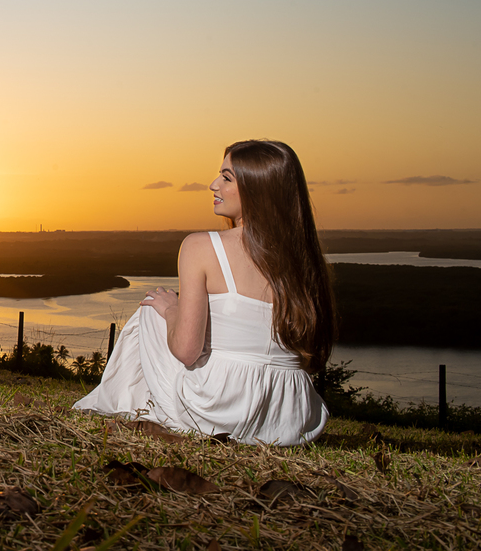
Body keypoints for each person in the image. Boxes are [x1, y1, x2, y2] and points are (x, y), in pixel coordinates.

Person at [73, 140, 334, 446]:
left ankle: (127, 407)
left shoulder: (200, 246)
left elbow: (186, 350)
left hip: (222, 409)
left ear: (258, 188)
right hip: (292, 414)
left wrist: (172, 310)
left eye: (226, 178)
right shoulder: (305, 259)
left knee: (152, 308)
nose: (213, 185)